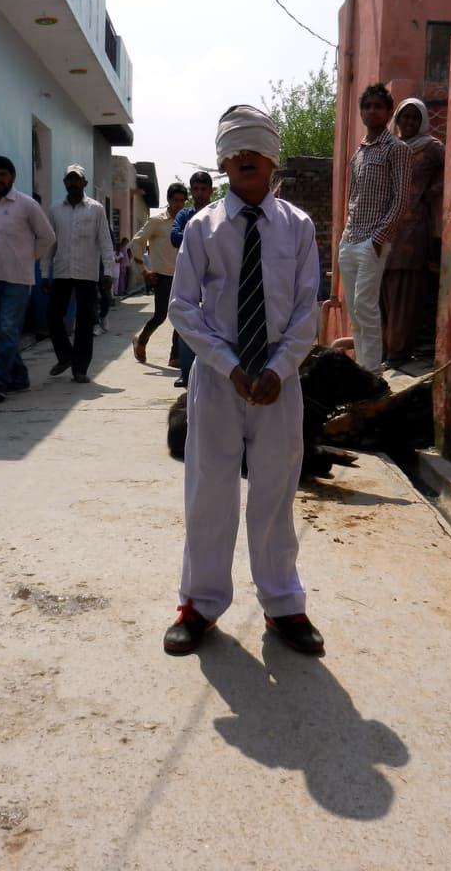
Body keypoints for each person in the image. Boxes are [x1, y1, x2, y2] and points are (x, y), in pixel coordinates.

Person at [164, 105, 323, 657]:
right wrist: (229, 365)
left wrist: (280, 369)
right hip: (219, 380)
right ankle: (200, 604)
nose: (244, 160)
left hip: (278, 385)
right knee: (210, 489)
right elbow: (182, 307)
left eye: (254, 151)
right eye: (235, 153)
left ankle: (283, 604)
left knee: (276, 492)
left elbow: (307, 309)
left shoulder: (298, 228)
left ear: (272, 158)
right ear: (224, 161)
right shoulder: (204, 228)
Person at [338, 82, 411, 370]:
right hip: (350, 238)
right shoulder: (359, 152)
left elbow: (402, 198)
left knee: (366, 307)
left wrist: (379, 239)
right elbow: (353, 197)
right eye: (367, 106)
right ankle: (362, 369)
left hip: (372, 240)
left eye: (378, 106)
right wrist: (345, 237)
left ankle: (371, 373)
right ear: (361, 112)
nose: (371, 111)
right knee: (355, 312)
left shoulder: (397, 149)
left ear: (389, 111)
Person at [0, 155, 56, 403]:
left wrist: (30, 258)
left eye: (2, 174)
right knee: (0, 333)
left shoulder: (27, 205)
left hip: (18, 279)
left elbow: (47, 236)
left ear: (12, 177)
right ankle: (19, 378)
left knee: (9, 330)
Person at [380, 97, 444, 366]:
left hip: (413, 230)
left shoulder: (431, 148)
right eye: (405, 117)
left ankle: (398, 352)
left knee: (406, 291)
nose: (409, 122)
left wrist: (432, 192)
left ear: (422, 122)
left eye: (415, 118)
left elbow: (449, 173)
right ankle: (383, 350)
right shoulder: (390, 147)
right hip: (384, 230)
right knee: (383, 291)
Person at [45, 164, 115, 384]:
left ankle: (80, 368)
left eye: (77, 180)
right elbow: (49, 244)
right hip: (62, 271)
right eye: (70, 180)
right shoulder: (55, 209)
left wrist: (109, 271)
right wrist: (44, 272)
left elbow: (105, 241)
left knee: (85, 321)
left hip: (87, 272)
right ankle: (65, 356)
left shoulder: (96, 209)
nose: (73, 183)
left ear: (84, 183)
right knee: (53, 317)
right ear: (65, 182)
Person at [130, 182, 188, 367]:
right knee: (160, 315)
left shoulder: (188, 221)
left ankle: (175, 355)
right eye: (175, 200)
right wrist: (143, 271)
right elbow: (136, 243)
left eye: (182, 200)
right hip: (162, 276)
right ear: (169, 200)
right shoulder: (157, 221)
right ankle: (141, 341)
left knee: (182, 317)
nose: (179, 204)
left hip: (184, 276)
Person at [169, 170, 216, 387]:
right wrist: (201, 237)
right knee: (186, 325)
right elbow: (174, 237)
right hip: (189, 275)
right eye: (196, 189)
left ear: (210, 191)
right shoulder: (184, 215)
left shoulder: (220, 213)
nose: (200, 193)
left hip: (214, 277)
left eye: (203, 189)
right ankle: (186, 374)